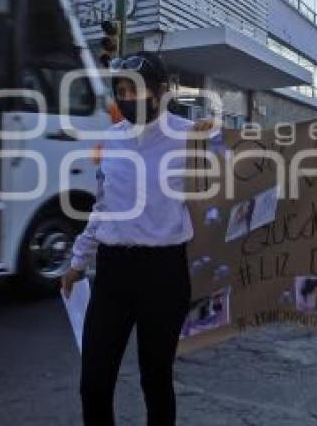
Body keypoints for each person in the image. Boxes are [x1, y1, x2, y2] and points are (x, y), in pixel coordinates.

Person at [61, 51, 211, 426]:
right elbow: (103, 206)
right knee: (93, 382)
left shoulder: (190, 138)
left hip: (164, 274)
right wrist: (78, 262)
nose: (128, 97)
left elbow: (243, 172)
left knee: (156, 381)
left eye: (137, 89)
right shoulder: (110, 140)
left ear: (160, 91)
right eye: (122, 90)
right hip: (113, 273)